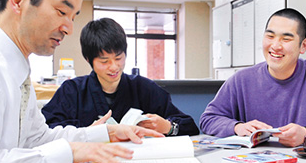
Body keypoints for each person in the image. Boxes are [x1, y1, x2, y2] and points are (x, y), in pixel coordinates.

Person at [0, 0, 163, 163]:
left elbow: (36, 140)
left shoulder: (17, 67)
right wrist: (72, 152)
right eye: (62, 11)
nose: (69, 28)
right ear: (18, 0)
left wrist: (105, 134)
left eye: (73, 17)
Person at [42, 18, 199, 136]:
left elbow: (190, 126)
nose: (114, 67)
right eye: (104, 61)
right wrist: (88, 133)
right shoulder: (72, 91)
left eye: (118, 58)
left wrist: (168, 127)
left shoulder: (144, 88)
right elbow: (47, 131)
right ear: (89, 60)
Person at [200, 8, 306, 148]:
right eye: (270, 36)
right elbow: (208, 119)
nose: (275, 46)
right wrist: (237, 127)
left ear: (303, 46)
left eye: (286, 39)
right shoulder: (242, 80)